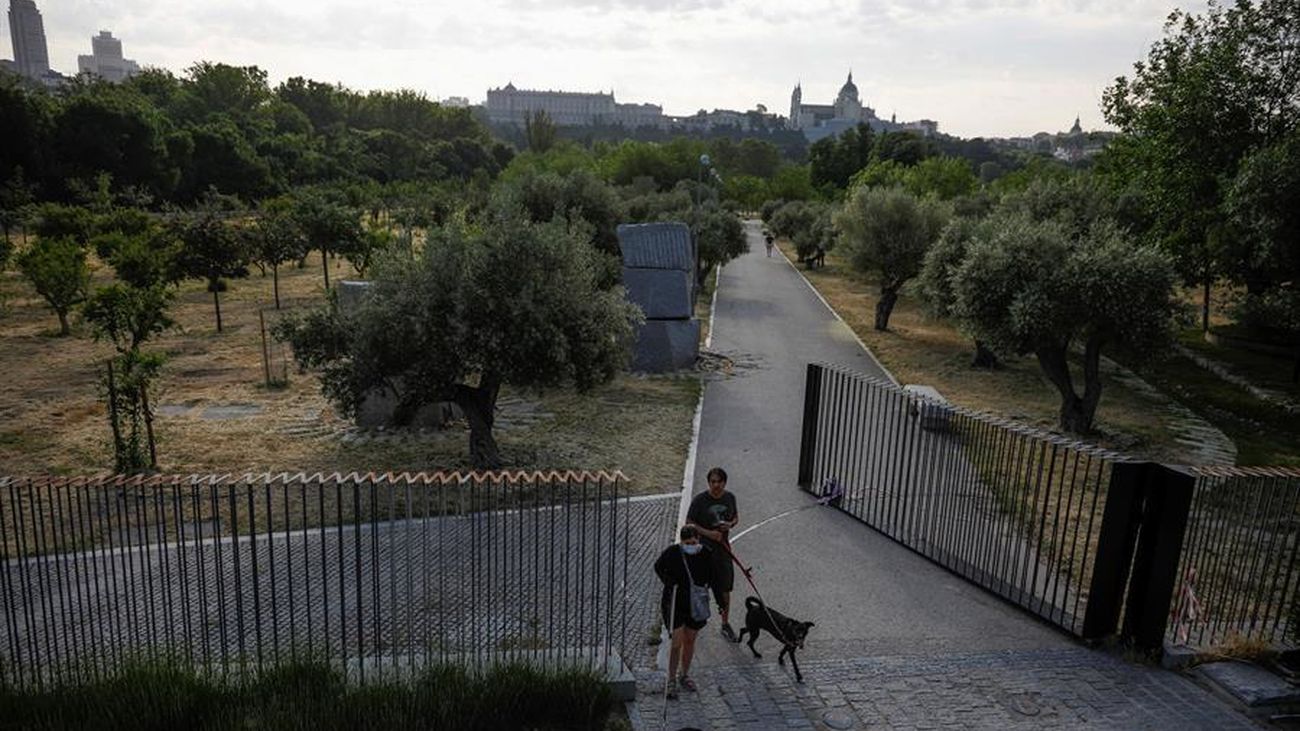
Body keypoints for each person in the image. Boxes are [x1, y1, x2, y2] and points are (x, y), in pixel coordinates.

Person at [655, 525, 713, 699]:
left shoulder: (706, 553)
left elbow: (713, 575)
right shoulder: (673, 552)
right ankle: (671, 680)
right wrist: (669, 581)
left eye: (693, 542)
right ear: (682, 542)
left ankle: (684, 675)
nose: (690, 545)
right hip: (674, 603)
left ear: (698, 540)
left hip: (695, 604)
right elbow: (658, 566)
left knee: (690, 640)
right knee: (676, 643)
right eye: (687, 543)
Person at [686, 467, 739, 642]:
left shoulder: (730, 498)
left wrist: (730, 524)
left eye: (719, 482)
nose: (716, 485)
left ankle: (725, 623)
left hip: (723, 551)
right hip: (702, 552)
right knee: (700, 589)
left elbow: (736, 517)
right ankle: (694, 620)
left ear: (725, 482)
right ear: (709, 483)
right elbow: (689, 523)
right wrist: (709, 534)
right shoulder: (700, 501)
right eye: (712, 482)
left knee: (725, 588)